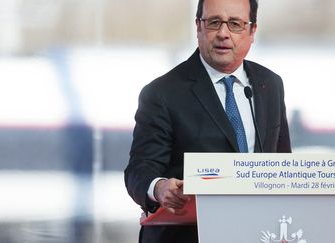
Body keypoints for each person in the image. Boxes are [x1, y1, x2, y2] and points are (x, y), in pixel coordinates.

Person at [124, 0, 291, 242]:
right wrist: (159, 188)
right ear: (198, 27)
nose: (223, 33)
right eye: (214, 23)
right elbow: (139, 169)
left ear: (252, 31)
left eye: (235, 24)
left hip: (254, 234)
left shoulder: (270, 84)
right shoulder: (162, 92)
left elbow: (281, 166)